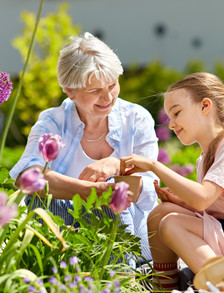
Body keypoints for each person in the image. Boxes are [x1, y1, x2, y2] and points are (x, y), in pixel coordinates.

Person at [120, 72, 224, 293]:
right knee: (161, 213)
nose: (171, 124)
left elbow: (203, 197)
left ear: (205, 106)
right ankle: (164, 290)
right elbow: (215, 207)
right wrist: (181, 201)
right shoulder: (205, 157)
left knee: (172, 223)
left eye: (177, 112)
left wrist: (154, 165)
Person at [9, 32, 159, 267]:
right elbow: (27, 177)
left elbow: (147, 189)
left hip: (127, 227)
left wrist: (116, 165)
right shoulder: (53, 121)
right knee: (36, 204)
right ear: (70, 91)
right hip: (65, 227)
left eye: (112, 85)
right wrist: (93, 192)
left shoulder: (137, 119)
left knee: (111, 206)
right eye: (95, 90)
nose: (108, 97)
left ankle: (119, 278)